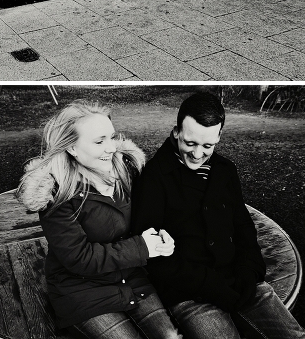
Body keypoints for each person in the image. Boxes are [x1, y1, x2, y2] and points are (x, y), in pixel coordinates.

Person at [132, 91, 305, 339]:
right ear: (176, 132)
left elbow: (243, 227)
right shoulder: (155, 177)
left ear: (219, 137)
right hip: (189, 293)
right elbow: (152, 254)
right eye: (190, 143)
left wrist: (249, 272)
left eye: (208, 145)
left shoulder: (225, 171)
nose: (197, 154)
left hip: (238, 278)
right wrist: (210, 285)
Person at [17, 100, 182, 339]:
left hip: (131, 279)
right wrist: (142, 247)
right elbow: (79, 258)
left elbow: (150, 217)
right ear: (72, 148)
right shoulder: (57, 192)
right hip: (81, 289)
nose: (111, 148)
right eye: (99, 141)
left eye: (112, 137)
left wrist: (161, 238)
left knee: (169, 336)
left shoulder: (127, 170)